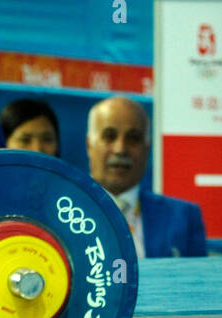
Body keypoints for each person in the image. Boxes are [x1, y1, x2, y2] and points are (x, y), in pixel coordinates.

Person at [87, 96, 207, 258]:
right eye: (110, 136)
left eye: (133, 138)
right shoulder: (58, 213)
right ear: (89, 145)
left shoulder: (184, 218)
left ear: (147, 149)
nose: (120, 149)